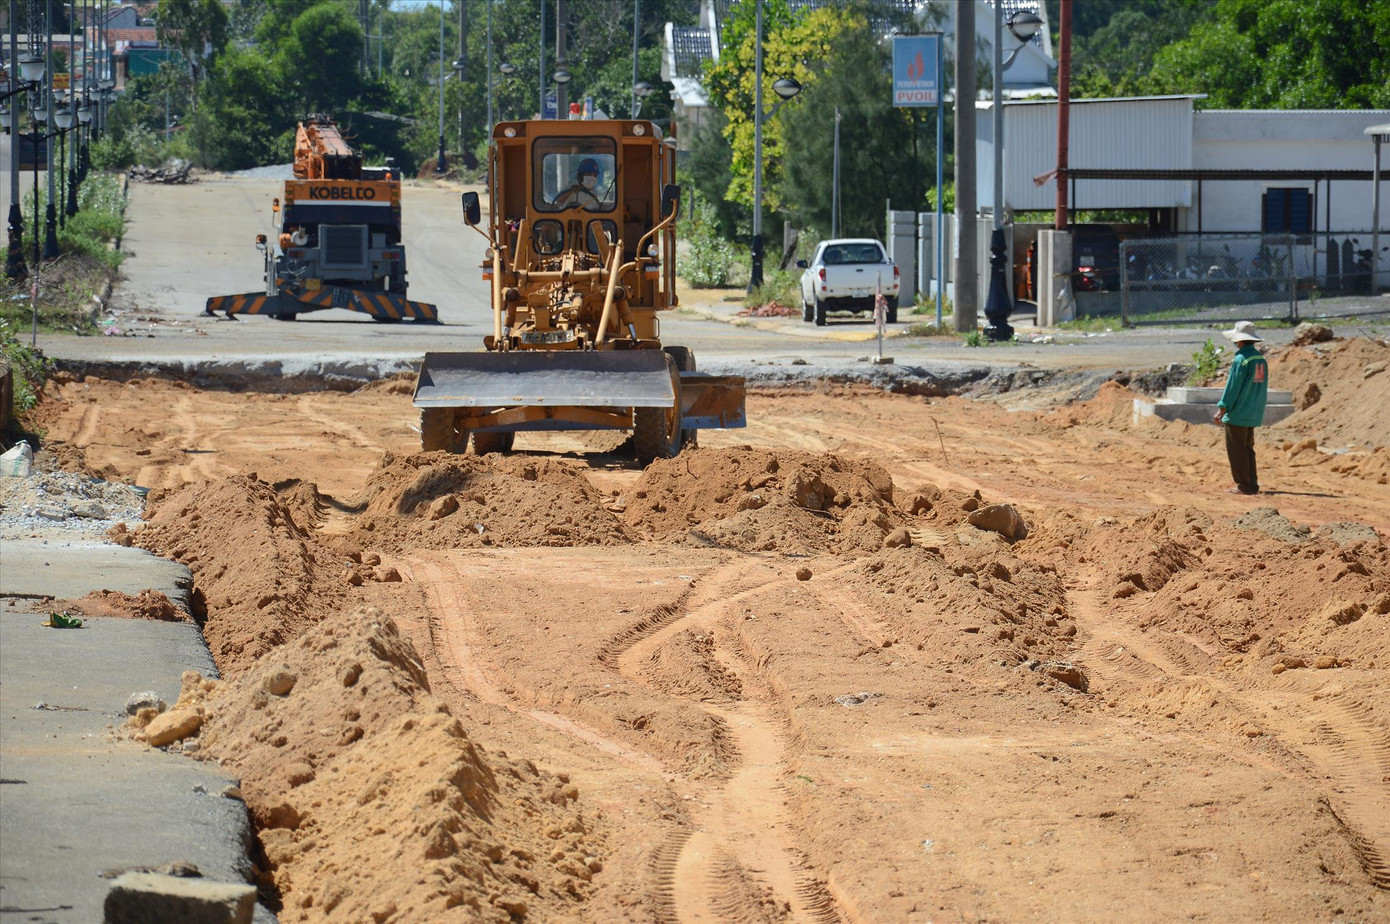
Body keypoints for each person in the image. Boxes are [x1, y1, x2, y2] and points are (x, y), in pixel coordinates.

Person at [1212, 320, 1269, 495]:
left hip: (1238, 413)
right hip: (1253, 412)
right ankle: (1251, 483)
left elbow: (1233, 387)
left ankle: (1244, 485)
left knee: (1237, 450)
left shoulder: (1241, 359)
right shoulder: (1260, 359)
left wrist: (1222, 408)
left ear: (1239, 340)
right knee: (1247, 449)